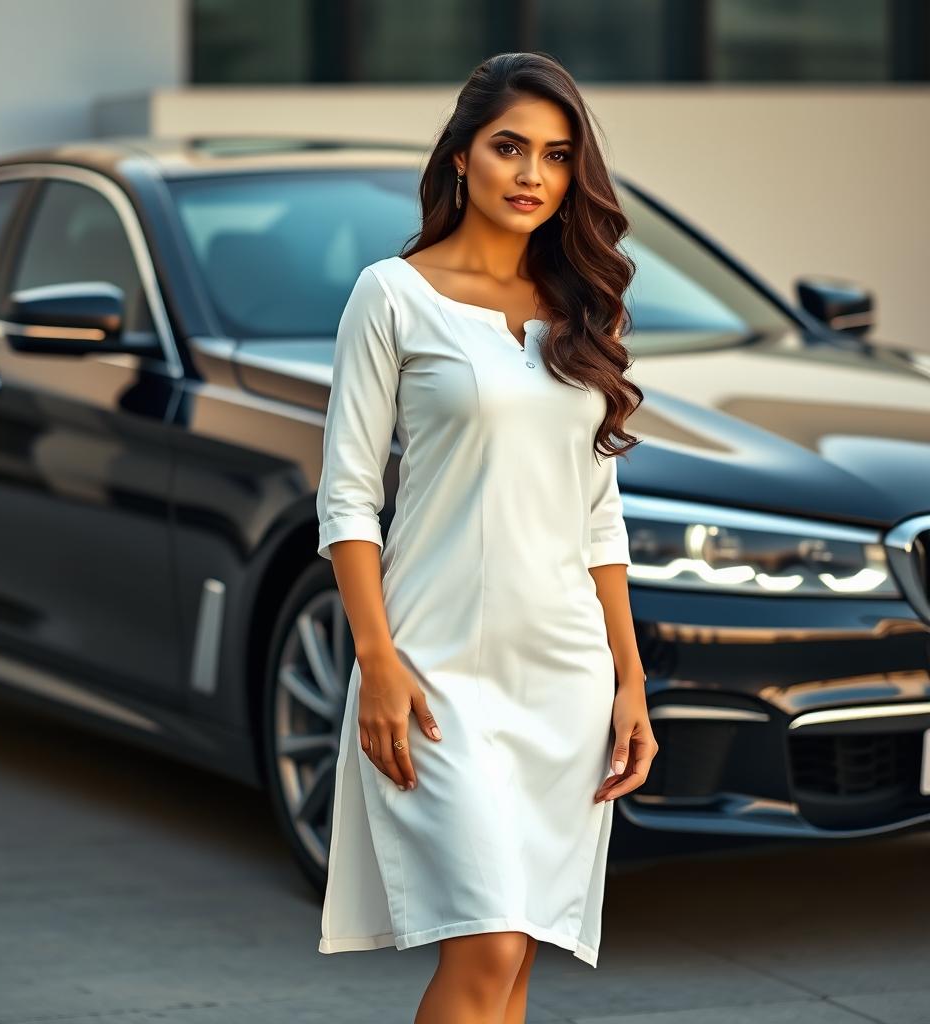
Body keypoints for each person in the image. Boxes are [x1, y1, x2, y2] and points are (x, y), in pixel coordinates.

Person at [315, 51, 658, 1024]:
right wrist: (376, 660)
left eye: (555, 156)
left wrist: (629, 681)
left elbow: (598, 515)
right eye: (509, 147)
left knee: (513, 962)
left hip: (563, 675)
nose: (530, 175)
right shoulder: (391, 295)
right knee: (488, 941)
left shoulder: (582, 314)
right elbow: (345, 499)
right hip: (436, 670)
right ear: (461, 156)